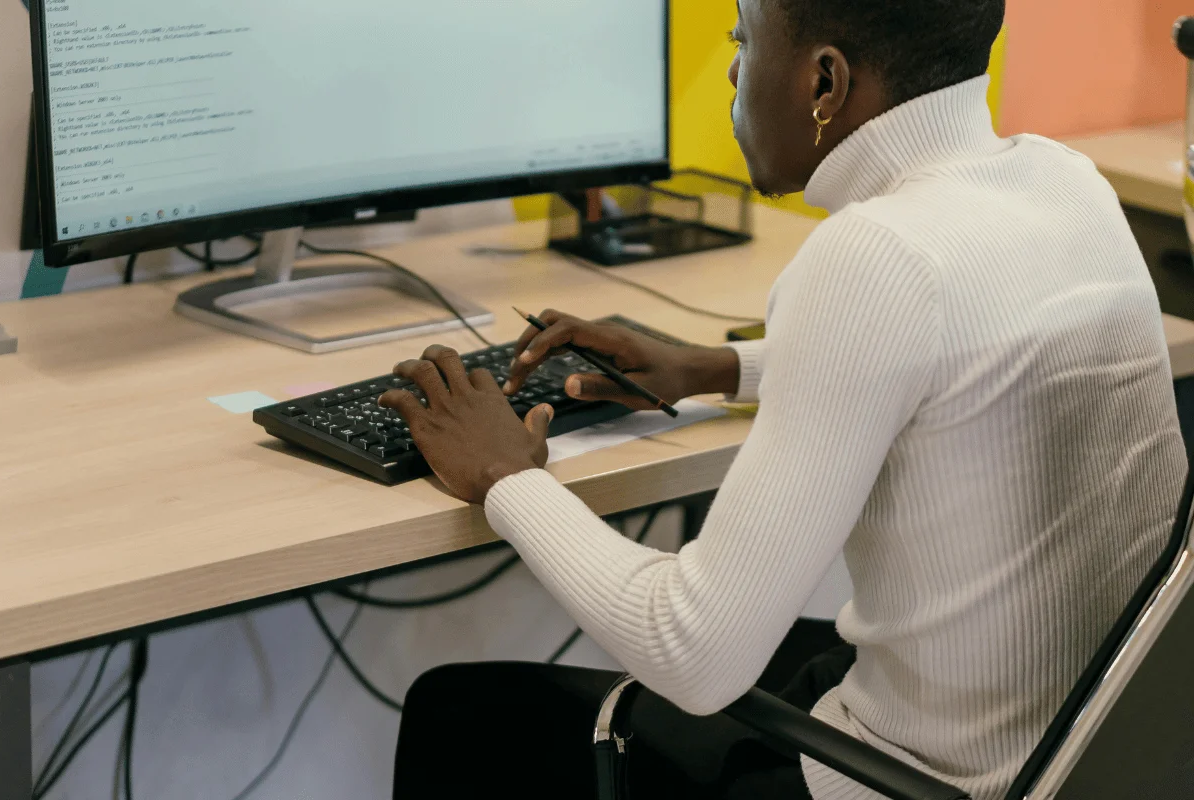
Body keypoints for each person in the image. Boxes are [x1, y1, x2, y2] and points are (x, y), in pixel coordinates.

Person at [385, 0, 1187, 798]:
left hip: (920, 779)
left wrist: (503, 475)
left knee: (456, 714)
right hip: (1082, 748)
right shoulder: (1060, 179)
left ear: (824, 82)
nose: (735, 68)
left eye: (745, 38)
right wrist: (713, 368)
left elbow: (693, 652)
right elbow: (959, 357)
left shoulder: (877, 254)